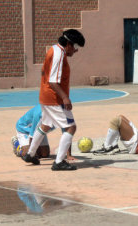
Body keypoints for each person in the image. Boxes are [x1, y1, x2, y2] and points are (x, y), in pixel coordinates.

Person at [22, 29, 85, 170]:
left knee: (45, 125)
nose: (75, 50)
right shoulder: (59, 56)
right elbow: (53, 81)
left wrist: (70, 53)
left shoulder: (54, 49)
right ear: (68, 44)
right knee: (71, 127)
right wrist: (65, 98)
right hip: (54, 98)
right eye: (74, 46)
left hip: (45, 96)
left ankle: (31, 154)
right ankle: (59, 162)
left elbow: (45, 73)